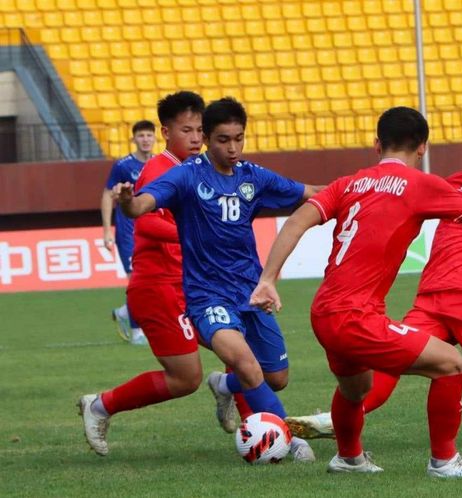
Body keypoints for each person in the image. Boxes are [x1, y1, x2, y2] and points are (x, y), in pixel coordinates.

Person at [250, 107, 462, 478]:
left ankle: (349, 458)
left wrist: (268, 279)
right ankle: (444, 461)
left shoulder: (349, 183)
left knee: (356, 389)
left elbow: (296, 221)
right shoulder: (423, 185)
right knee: (451, 366)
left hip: (323, 311)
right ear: (422, 148)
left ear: (377, 144)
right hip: (356, 315)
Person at [108, 97, 323, 462]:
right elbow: (142, 206)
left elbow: (309, 193)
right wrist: (128, 202)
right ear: (207, 138)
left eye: (239, 138)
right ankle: (286, 435)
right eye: (224, 139)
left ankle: (223, 385)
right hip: (207, 296)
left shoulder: (252, 176)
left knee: (277, 376)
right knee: (245, 362)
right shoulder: (186, 175)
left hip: (251, 292)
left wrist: (359, 191)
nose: (233, 148)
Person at [78, 91, 205, 456]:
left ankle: (266, 429)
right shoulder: (155, 170)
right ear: (166, 132)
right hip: (160, 285)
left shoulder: (199, 168)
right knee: (186, 378)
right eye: (187, 130)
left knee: (239, 349)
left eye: (200, 129)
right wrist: (196, 234)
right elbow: (145, 222)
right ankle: (101, 405)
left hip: (190, 283)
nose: (196, 137)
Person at [101, 119, 156, 345]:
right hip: (128, 232)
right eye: (141, 136)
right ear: (134, 139)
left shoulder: (159, 164)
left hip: (152, 231)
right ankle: (136, 332)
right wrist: (106, 230)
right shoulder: (123, 165)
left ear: (155, 138)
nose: (145, 140)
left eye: (148, 135)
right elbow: (107, 195)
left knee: (153, 281)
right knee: (136, 282)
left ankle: (125, 311)